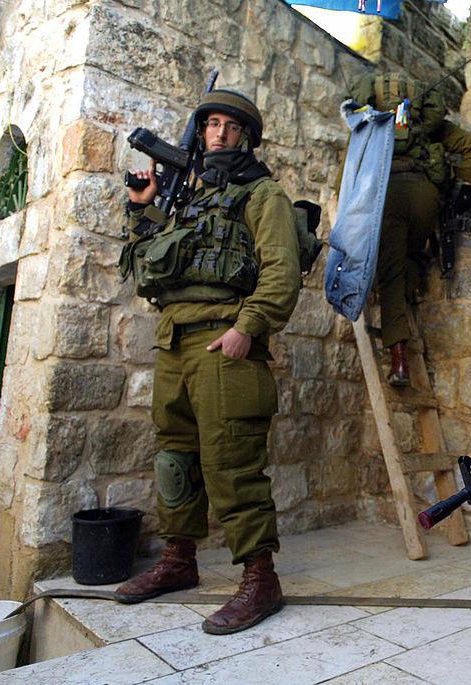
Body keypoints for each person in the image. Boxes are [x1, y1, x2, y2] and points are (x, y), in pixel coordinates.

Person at [117, 89, 301, 635]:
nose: (220, 134)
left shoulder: (262, 194)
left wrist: (248, 327)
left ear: (246, 138)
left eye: (232, 127)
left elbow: (281, 273)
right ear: (200, 132)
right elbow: (147, 265)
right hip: (174, 340)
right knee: (175, 460)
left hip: (225, 343)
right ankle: (179, 562)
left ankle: (261, 579)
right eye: (212, 124)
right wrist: (142, 208)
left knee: (231, 463)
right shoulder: (188, 199)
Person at [356, 74, 471, 386]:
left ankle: (399, 361)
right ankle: (414, 275)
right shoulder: (428, 128)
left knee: (391, 278)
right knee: (411, 256)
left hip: (389, 199)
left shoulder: (372, 128)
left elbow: (349, 174)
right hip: (426, 199)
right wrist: (463, 189)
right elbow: (469, 146)